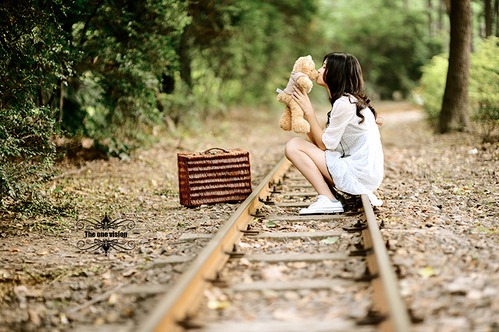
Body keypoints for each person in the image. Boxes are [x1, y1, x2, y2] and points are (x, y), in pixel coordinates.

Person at [285, 52, 384, 214]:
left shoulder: (345, 103)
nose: (318, 70)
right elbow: (321, 143)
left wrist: (309, 112)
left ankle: (328, 199)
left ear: (336, 74)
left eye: (324, 67)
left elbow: (323, 146)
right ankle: (330, 198)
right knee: (298, 146)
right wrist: (303, 115)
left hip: (359, 174)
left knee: (293, 145)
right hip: (363, 172)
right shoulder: (349, 101)